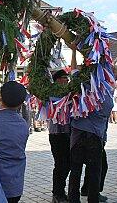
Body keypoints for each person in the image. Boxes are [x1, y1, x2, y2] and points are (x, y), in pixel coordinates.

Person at [68, 93, 113, 203]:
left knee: (75, 170)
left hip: (77, 136)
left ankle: (73, 199)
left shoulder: (76, 91)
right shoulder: (102, 92)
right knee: (94, 171)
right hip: (94, 135)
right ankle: (93, 198)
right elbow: (107, 109)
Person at [46, 70, 72, 202]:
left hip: (68, 133)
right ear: (57, 80)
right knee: (60, 164)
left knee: (67, 164)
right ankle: (57, 192)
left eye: (67, 79)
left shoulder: (69, 94)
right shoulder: (52, 94)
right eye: (64, 78)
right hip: (56, 134)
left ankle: (60, 190)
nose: (66, 81)